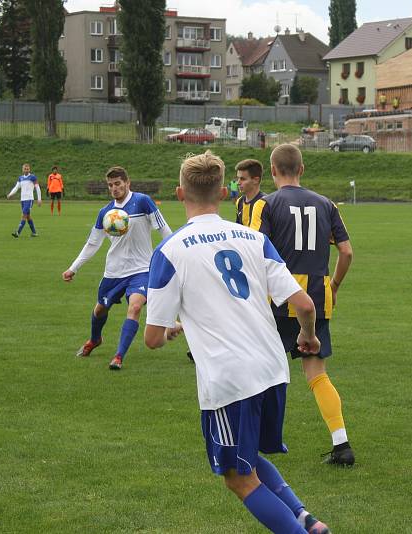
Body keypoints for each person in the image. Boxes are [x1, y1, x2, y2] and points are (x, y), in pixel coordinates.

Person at [144, 150, 331, 534]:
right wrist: (308, 336)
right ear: (226, 194)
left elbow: (151, 339)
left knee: (236, 476)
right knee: (248, 458)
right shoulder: (252, 238)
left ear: (180, 193)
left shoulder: (170, 251)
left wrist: (170, 330)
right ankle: (306, 520)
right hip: (272, 367)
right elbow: (305, 303)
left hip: (230, 379)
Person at [250, 144, 356, 466]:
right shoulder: (327, 205)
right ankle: (341, 443)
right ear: (302, 168)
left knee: (258, 370)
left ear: (271, 170)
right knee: (317, 373)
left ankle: (250, 442)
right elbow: (347, 252)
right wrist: (334, 285)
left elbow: (254, 251)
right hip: (316, 295)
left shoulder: (265, 203)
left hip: (278, 296)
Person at [62, 166, 172, 371]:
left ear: (127, 183)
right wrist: (73, 268)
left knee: (136, 307)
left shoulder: (143, 202)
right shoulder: (105, 213)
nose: (114, 188)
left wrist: (176, 255)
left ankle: (119, 356)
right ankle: (95, 339)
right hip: (114, 271)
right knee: (100, 308)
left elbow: (164, 229)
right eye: (110, 185)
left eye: (118, 184)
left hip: (141, 269)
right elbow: (92, 243)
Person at [7, 163, 42, 238]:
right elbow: (16, 187)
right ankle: (34, 232)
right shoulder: (20, 178)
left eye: (27, 169)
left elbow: (37, 188)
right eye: (25, 168)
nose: (26, 170)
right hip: (22, 200)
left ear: (29, 169)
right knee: (28, 216)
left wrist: (39, 199)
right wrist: (10, 194)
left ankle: (17, 232)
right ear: (22, 169)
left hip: (29, 200)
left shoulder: (32, 177)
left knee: (24, 215)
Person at [234, 159, 266, 226]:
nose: (238, 183)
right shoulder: (239, 201)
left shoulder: (266, 203)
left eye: (242, 179)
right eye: (238, 178)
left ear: (256, 180)